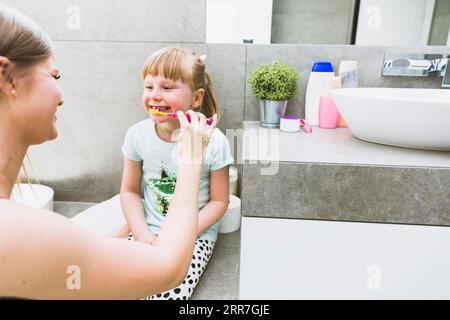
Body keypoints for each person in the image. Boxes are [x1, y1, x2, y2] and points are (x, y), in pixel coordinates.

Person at [0, 5, 217, 299]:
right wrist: (191, 160)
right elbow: (168, 269)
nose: (61, 97)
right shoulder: (17, 231)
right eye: (55, 76)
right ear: (7, 78)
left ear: (197, 97)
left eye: (167, 87)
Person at [115, 47, 234, 300]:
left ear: (196, 98)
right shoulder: (137, 135)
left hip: (195, 235)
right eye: (149, 87)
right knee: (113, 284)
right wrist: (141, 233)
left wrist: (183, 234)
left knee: (165, 294)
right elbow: (128, 191)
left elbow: (219, 201)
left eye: (167, 88)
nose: (155, 96)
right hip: (147, 228)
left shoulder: (214, 141)